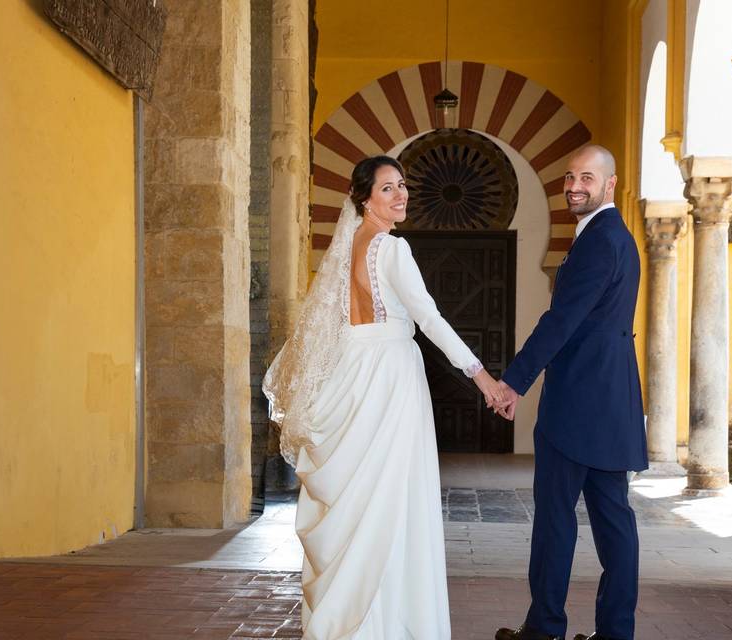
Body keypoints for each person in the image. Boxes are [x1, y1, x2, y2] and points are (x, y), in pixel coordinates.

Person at [262, 155, 503, 640]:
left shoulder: (343, 251)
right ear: (364, 198)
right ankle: (389, 623)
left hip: (351, 375)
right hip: (389, 376)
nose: (401, 196)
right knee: (394, 496)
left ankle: (352, 618)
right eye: (388, 188)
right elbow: (430, 319)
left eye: (403, 186)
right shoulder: (392, 250)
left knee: (362, 497)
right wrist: (482, 378)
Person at [493, 145, 648, 640]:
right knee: (614, 522)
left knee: (557, 519)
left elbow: (562, 320)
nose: (574, 185)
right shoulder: (615, 238)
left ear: (610, 183)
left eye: (587, 177)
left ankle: (545, 628)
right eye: (569, 176)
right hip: (612, 399)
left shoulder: (600, 240)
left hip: (579, 402)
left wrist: (515, 380)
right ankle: (616, 632)